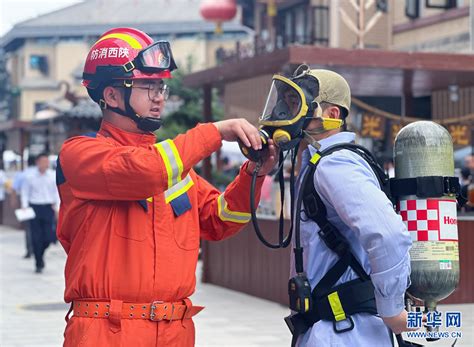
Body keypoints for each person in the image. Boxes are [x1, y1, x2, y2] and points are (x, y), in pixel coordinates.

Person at [56, 27, 277, 347]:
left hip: (175, 330)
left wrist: (254, 173)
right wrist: (215, 132)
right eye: (147, 85)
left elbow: (222, 219)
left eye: (161, 85)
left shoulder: (173, 166)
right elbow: (146, 171)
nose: (159, 95)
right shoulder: (80, 155)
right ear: (111, 95)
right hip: (107, 331)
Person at [290, 69, 414, 346]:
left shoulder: (335, 164)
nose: (291, 113)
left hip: (343, 330)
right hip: (340, 326)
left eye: (300, 105)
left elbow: (388, 235)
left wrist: (392, 310)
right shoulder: (321, 161)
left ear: (332, 115)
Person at [21, 153, 59, 273]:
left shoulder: (52, 176)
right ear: (38, 162)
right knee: (36, 236)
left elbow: (56, 193)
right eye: (43, 161)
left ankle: (40, 253)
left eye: (47, 161)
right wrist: (25, 206)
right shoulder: (30, 177)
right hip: (34, 207)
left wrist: (57, 208)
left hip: (48, 207)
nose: (45, 164)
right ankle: (38, 262)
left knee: (49, 237)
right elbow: (25, 192)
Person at [11, 156, 36, 258]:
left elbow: (14, 189)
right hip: (42, 204)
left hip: (27, 205)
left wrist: (14, 202)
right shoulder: (44, 172)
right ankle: (37, 248)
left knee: (29, 228)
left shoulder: (22, 174)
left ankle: (30, 249)